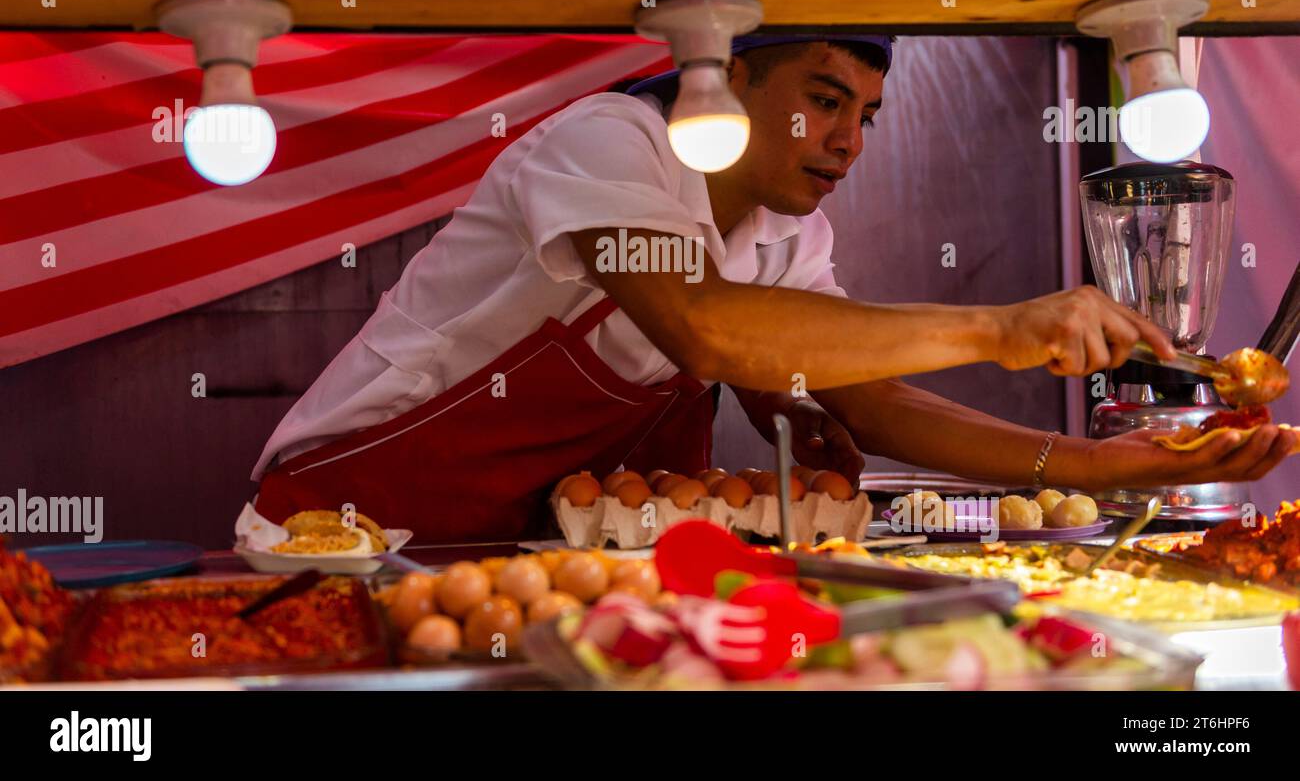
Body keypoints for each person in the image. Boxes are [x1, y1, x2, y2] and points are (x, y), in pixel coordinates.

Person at [251, 34, 1297, 542]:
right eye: (824, 98)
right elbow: (707, 328)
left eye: (868, 113)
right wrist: (1001, 323)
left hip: (537, 553)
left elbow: (868, 396)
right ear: (730, 78)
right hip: (349, 521)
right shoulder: (610, 144)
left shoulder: (786, 236)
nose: (846, 139)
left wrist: (1096, 465)